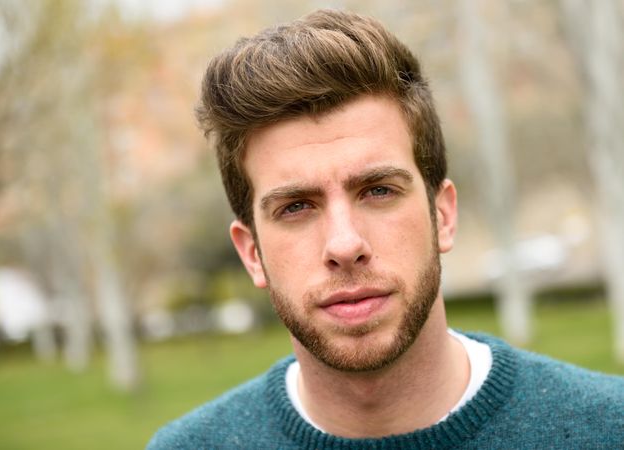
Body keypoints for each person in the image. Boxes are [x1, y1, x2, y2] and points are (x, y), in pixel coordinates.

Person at [147, 9, 624, 449]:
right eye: (295, 207)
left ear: (443, 215)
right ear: (252, 254)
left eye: (377, 191)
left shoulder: (607, 428)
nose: (345, 244)